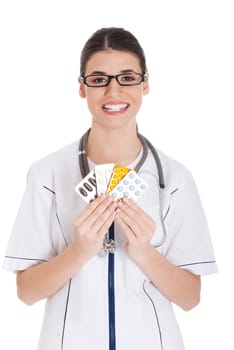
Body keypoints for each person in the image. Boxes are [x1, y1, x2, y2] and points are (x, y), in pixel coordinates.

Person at [3, 27, 217, 350]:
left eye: (127, 78)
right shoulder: (46, 175)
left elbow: (190, 298)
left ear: (145, 84)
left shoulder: (174, 180)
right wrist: (79, 252)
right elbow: (26, 292)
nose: (114, 91)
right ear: (81, 87)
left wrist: (145, 253)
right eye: (99, 79)